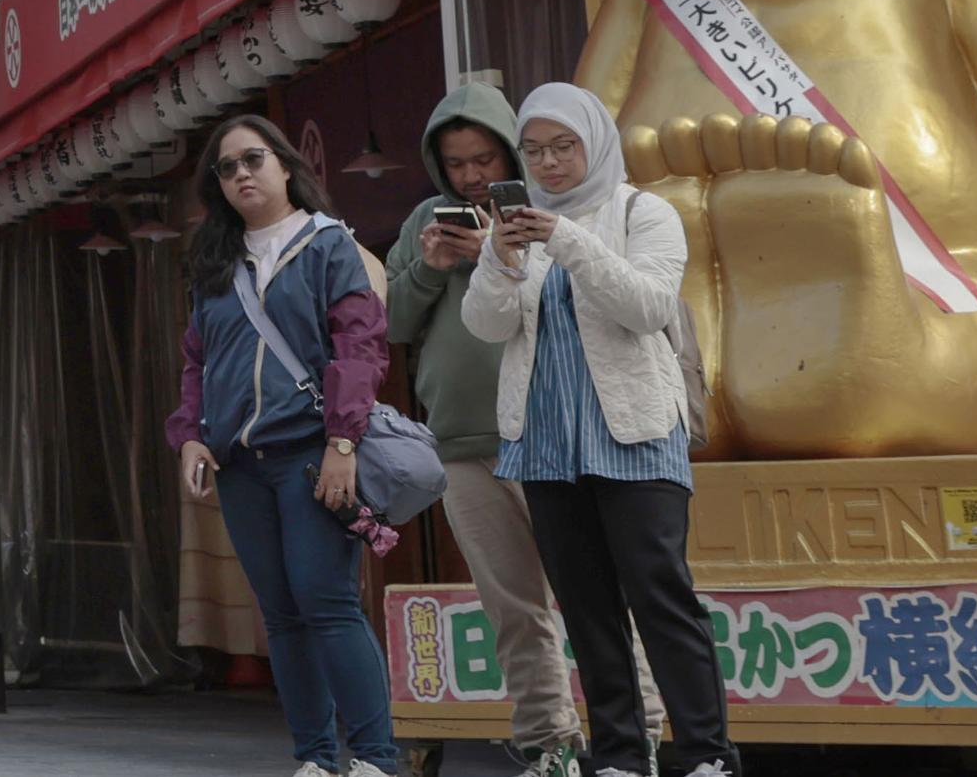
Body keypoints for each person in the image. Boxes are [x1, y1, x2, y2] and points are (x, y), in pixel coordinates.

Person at [465, 84, 730, 777]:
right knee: (586, 608)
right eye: (533, 151)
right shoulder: (518, 227)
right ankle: (618, 754)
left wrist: (567, 239)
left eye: (563, 147)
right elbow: (486, 326)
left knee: (660, 594)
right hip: (546, 444)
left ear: (595, 143)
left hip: (637, 434)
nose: (549, 164)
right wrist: (499, 256)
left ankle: (705, 754)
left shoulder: (645, 212)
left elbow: (646, 306)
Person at [169, 114, 400, 777]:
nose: (241, 173)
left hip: (311, 452)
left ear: (286, 166)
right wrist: (190, 436)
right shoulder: (215, 260)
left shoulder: (328, 244)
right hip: (242, 465)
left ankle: (377, 760)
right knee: (281, 615)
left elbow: (361, 346)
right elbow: (196, 362)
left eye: (253, 159)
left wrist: (343, 443)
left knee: (325, 602)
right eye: (226, 167)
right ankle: (315, 758)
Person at [385, 80, 583, 777]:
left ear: (510, 156)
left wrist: (498, 258)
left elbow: (576, 305)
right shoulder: (422, 223)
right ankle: (549, 743)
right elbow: (391, 326)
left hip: (551, 432)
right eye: (458, 162)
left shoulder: (545, 216)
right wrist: (431, 267)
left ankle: (636, 733)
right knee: (512, 608)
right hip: (462, 446)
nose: (472, 175)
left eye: (484, 160)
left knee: (590, 596)